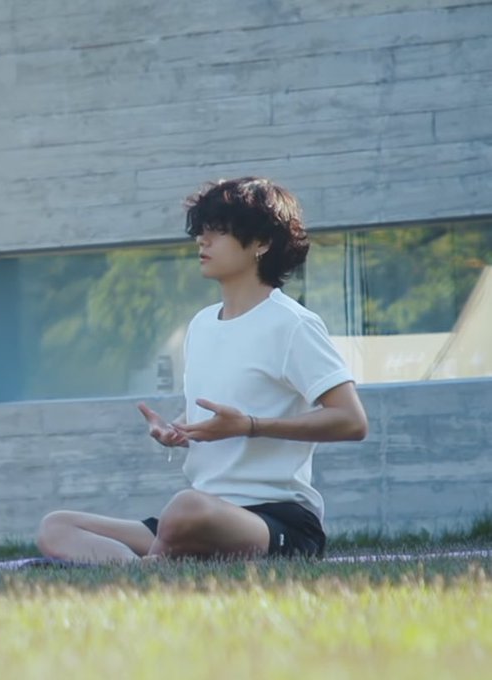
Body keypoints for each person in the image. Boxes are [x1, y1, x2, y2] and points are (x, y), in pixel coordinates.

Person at [37, 177, 368, 563]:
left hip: (276, 520)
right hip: (202, 514)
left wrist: (250, 426)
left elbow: (351, 421)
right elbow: (221, 408)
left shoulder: (293, 324)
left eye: (219, 231)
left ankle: (154, 563)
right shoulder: (202, 324)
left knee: (185, 508)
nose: (202, 240)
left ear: (262, 243)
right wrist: (180, 429)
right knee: (56, 527)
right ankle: (145, 570)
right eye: (201, 230)